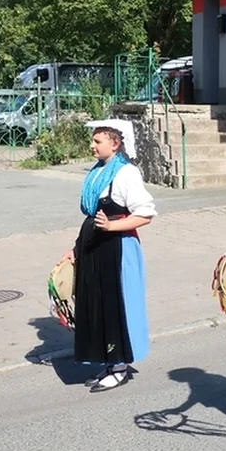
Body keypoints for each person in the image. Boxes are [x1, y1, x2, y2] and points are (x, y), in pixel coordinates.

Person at [61, 119, 156, 393]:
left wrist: (112, 226)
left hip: (116, 247)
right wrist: (76, 249)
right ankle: (109, 360)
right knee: (96, 304)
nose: (92, 146)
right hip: (95, 245)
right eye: (92, 141)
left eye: (97, 141)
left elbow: (146, 214)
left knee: (115, 305)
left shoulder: (126, 173)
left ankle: (120, 367)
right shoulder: (98, 171)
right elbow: (93, 216)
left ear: (115, 143)